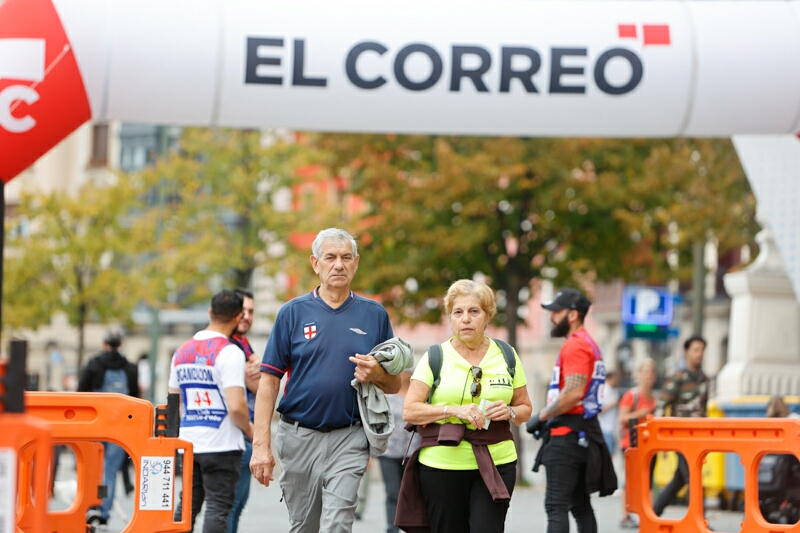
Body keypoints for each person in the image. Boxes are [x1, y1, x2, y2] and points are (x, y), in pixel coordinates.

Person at [250, 227, 400, 533]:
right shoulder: (292, 313)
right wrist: (261, 446)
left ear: (356, 263)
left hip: (350, 436)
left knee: (338, 524)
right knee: (304, 525)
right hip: (298, 436)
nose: (338, 265)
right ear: (315, 263)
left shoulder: (375, 315)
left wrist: (377, 374)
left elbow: (394, 385)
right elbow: (269, 381)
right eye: (330, 257)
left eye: (346, 257)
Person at [398, 279, 532, 533]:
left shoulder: (507, 355)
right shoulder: (435, 356)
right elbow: (410, 410)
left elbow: (525, 408)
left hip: (497, 463)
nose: (465, 319)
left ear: (488, 315)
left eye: (474, 311)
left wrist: (510, 411)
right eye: (457, 312)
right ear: (450, 318)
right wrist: (453, 410)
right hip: (442, 466)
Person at [529, 287, 617, 533]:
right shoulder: (590, 344)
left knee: (556, 505)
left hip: (567, 436)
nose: (551, 317)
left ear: (573, 315)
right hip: (583, 433)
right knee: (580, 506)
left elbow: (574, 393)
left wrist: (542, 416)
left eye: (556, 312)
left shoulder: (575, 345)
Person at [168, 289, 253, 533]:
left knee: (187, 506)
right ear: (237, 317)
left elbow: (173, 401)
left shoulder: (181, 351)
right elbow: (236, 406)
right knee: (218, 508)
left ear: (210, 312)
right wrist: (251, 431)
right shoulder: (230, 352)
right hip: (222, 444)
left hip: (189, 442)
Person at [79, 327, 139, 530]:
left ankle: (91, 505)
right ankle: (104, 512)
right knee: (110, 470)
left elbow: (81, 391)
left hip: (94, 425)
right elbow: (135, 399)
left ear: (104, 343)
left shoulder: (94, 364)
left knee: (92, 468)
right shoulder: (130, 368)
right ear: (121, 344)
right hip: (119, 428)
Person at [651, 334, 709, 517]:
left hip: (698, 438)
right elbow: (661, 406)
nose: (699, 354)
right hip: (681, 438)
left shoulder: (704, 379)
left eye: (702, 350)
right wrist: (661, 440)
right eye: (696, 350)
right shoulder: (677, 378)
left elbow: (704, 410)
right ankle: (700, 522)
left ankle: (654, 513)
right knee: (692, 476)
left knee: (680, 479)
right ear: (686, 352)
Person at [227, 288, 260, 533]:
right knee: (229, 506)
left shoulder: (244, 344)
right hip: (234, 435)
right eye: (242, 311)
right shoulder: (229, 346)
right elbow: (257, 384)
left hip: (245, 437)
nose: (246, 316)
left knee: (236, 506)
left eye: (251, 311)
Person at [617, 358, 658, 529]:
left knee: (648, 481)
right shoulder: (632, 396)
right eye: (645, 372)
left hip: (650, 446)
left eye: (651, 372)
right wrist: (641, 413)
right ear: (639, 375)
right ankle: (626, 516)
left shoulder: (654, 399)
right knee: (630, 481)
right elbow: (622, 418)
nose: (649, 375)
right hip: (631, 444)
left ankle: (649, 515)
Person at [377, 370, 420, 533]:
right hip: (388, 452)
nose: (405, 374)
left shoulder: (417, 396)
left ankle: (410, 526)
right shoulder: (386, 395)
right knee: (392, 492)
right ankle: (391, 528)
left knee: (410, 493)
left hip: (412, 452)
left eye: (408, 371)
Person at [597, 371, 619, 456]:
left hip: (612, 427)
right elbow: (598, 410)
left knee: (611, 453)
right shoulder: (604, 391)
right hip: (605, 427)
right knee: (607, 454)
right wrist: (612, 404)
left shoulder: (613, 390)